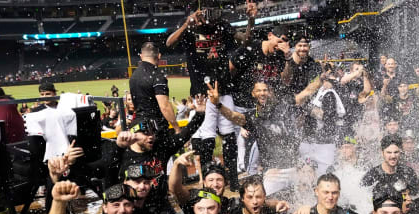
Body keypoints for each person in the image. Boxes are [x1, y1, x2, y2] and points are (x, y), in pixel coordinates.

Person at [166, 2, 257, 177]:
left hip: (224, 88)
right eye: (207, 12)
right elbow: (169, 43)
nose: (210, 16)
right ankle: (209, 177)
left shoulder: (222, 26)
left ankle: (232, 178)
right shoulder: (190, 28)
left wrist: (251, 19)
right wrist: (187, 23)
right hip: (202, 90)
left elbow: (245, 41)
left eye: (214, 11)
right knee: (207, 135)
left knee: (229, 134)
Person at [210, 79, 320, 194]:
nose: (262, 93)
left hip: (295, 169)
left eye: (265, 90)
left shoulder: (283, 108)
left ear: (270, 92)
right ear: (253, 93)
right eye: (258, 90)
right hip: (274, 173)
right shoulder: (252, 117)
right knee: (264, 203)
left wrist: (321, 79)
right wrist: (218, 104)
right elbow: (232, 115)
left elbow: (306, 92)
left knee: (308, 200)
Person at [128, 42, 180, 133]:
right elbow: (164, 106)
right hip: (155, 128)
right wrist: (177, 128)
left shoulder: (133, 76)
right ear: (159, 56)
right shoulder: (157, 76)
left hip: (138, 126)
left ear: (141, 56)